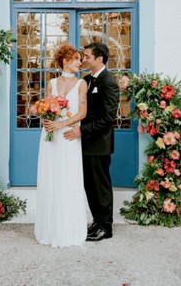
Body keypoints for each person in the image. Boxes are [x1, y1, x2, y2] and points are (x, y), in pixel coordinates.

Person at [64, 42, 120, 242]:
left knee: (100, 188)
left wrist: (82, 130)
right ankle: (97, 221)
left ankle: (106, 228)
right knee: (90, 186)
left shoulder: (109, 81)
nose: (83, 59)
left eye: (87, 56)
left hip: (99, 145)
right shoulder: (87, 80)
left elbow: (108, 118)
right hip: (85, 144)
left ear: (99, 59)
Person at [34, 43, 88, 248]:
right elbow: (46, 106)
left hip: (68, 135)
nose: (80, 62)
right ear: (65, 60)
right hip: (50, 136)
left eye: (80, 59)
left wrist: (62, 124)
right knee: (51, 176)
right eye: (76, 59)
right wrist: (45, 119)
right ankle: (50, 228)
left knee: (67, 177)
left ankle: (68, 229)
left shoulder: (81, 83)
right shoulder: (52, 83)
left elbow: (82, 113)